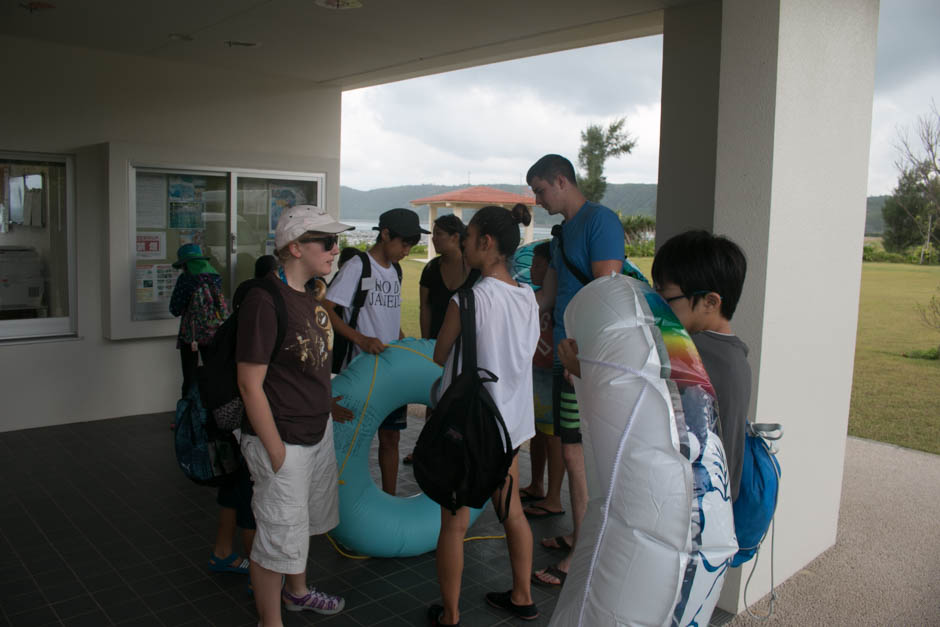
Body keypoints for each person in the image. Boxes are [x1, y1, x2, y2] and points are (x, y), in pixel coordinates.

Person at [236, 205, 355, 624]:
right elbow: (250, 384)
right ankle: (271, 621)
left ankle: (298, 592)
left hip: (313, 432)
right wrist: (275, 451)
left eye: (335, 241)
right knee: (275, 538)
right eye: (325, 241)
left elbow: (309, 368)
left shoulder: (309, 297)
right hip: (283, 439)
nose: (334, 249)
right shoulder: (263, 301)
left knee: (297, 525)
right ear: (294, 247)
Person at [428, 204, 540, 626]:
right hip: (510, 425)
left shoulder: (468, 300)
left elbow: (441, 354)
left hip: (470, 426)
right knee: (510, 510)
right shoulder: (527, 297)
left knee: (454, 523)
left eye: (468, 236)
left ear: (486, 244)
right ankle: (523, 595)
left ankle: (451, 615)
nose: (463, 243)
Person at [525, 154, 625, 587]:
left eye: (540, 190)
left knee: (575, 455)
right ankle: (579, 533)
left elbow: (608, 293)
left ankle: (582, 554)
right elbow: (550, 293)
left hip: (584, 361)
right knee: (571, 449)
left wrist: (581, 358)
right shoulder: (563, 233)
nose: (537, 199)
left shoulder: (601, 221)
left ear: (561, 181)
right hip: (564, 356)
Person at [325, 208, 427, 495]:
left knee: (391, 438)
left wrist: (404, 342)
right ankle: (345, 503)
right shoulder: (358, 266)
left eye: (411, 244)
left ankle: (389, 498)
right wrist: (360, 339)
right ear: (385, 235)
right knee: (354, 440)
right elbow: (328, 309)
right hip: (360, 371)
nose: (407, 250)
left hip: (390, 371)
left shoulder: (395, 269)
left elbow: (389, 317)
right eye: (404, 243)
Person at [651, 230, 751, 501]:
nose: (656, 305)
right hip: (717, 502)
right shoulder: (733, 352)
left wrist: (581, 370)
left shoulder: (694, 356)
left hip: (697, 511)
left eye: (666, 297)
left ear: (710, 302)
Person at [401, 214, 480, 466]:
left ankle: (459, 449)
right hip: (437, 343)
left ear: (456, 237)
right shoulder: (431, 268)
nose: (433, 239)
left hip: (468, 346)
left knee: (462, 398)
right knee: (433, 396)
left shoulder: (475, 270)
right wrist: (427, 342)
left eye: (438, 235)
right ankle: (425, 447)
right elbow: (425, 307)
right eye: (433, 234)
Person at [520, 242, 566, 519]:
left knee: (554, 438)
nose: (533, 269)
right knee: (536, 433)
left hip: (552, 374)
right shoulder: (534, 297)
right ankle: (537, 484)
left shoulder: (561, 300)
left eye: (540, 265)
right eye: (534, 264)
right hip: (534, 372)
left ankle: (554, 497)